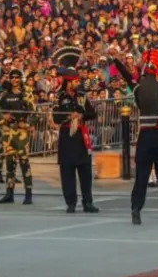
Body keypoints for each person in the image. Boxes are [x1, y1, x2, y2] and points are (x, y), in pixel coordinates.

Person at [111, 48, 158, 225]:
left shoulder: (138, 90)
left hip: (145, 136)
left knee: (142, 176)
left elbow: (127, 77)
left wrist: (116, 61)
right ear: (156, 74)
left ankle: (136, 208)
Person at [52, 46, 99, 214]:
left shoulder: (81, 96)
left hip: (80, 136)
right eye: (74, 81)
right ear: (68, 82)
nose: (77, 83)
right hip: (67, 136)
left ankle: (88, 202)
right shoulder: (60, 98)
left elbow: (92, 114)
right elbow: (56, 117)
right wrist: (68, 116)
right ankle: (70, 202)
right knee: (67, 172)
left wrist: (81, 114)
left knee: (85, 172)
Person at [0, 69, 34, 205]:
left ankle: (28, 193)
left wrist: (27, 124)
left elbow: (34, 113)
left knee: (25, 164)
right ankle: (9, 193)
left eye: (17, 78)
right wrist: (3, 116)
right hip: (8, 133)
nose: (14, 80)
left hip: (21, 134)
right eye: (12, 77)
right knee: (10, 165)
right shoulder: (5, 95)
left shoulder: (25, 95)